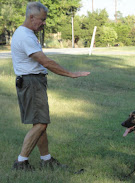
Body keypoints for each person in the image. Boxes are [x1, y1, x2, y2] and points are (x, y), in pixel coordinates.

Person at [11, 2, 90, 171]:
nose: (44, 23)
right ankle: (21, 162)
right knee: (40, 124)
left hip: (32, 82)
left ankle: (46, 160)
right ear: (31, 17)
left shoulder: (27, 33)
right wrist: (71, 74)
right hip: (31, 83)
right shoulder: (25, 35)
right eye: (42, 19)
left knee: (40, 123)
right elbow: (45, 61)